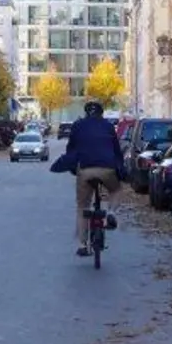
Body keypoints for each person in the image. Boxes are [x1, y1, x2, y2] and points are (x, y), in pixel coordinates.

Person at [64, 100, 125, 256]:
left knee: (82, 205)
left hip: (85, 169)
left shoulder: (78, 126)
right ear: (101, 113)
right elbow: (117, 151)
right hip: (107, 168)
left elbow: (71, 149)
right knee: (116, 190)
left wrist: (72, 167)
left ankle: (83, 244)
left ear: (86, 113)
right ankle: (111, 212)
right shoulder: (108, 126)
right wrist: (120, 169)